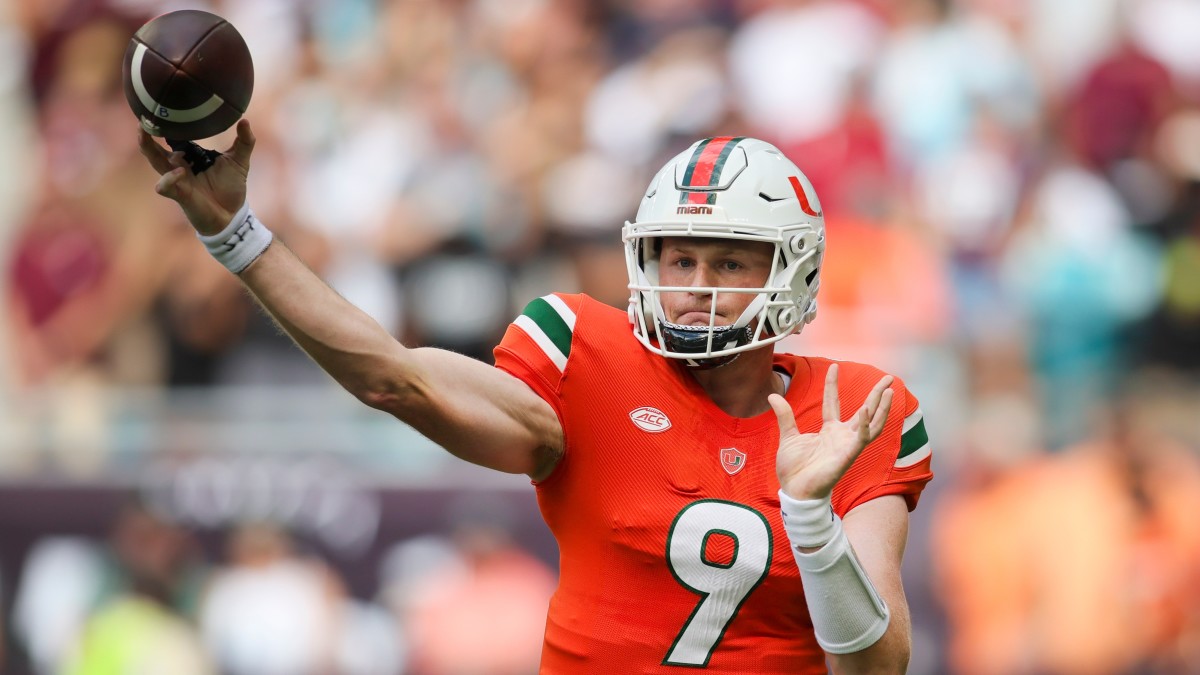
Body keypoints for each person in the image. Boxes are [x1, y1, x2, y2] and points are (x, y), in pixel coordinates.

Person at [138, 125, 934, 673]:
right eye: (679, 258)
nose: (694, 289)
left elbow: (875, 664)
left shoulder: (854, 406)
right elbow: (393, 375)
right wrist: (235, 234)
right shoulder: (585, 352)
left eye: (728, 264)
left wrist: (810, 519)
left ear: (790, 270)